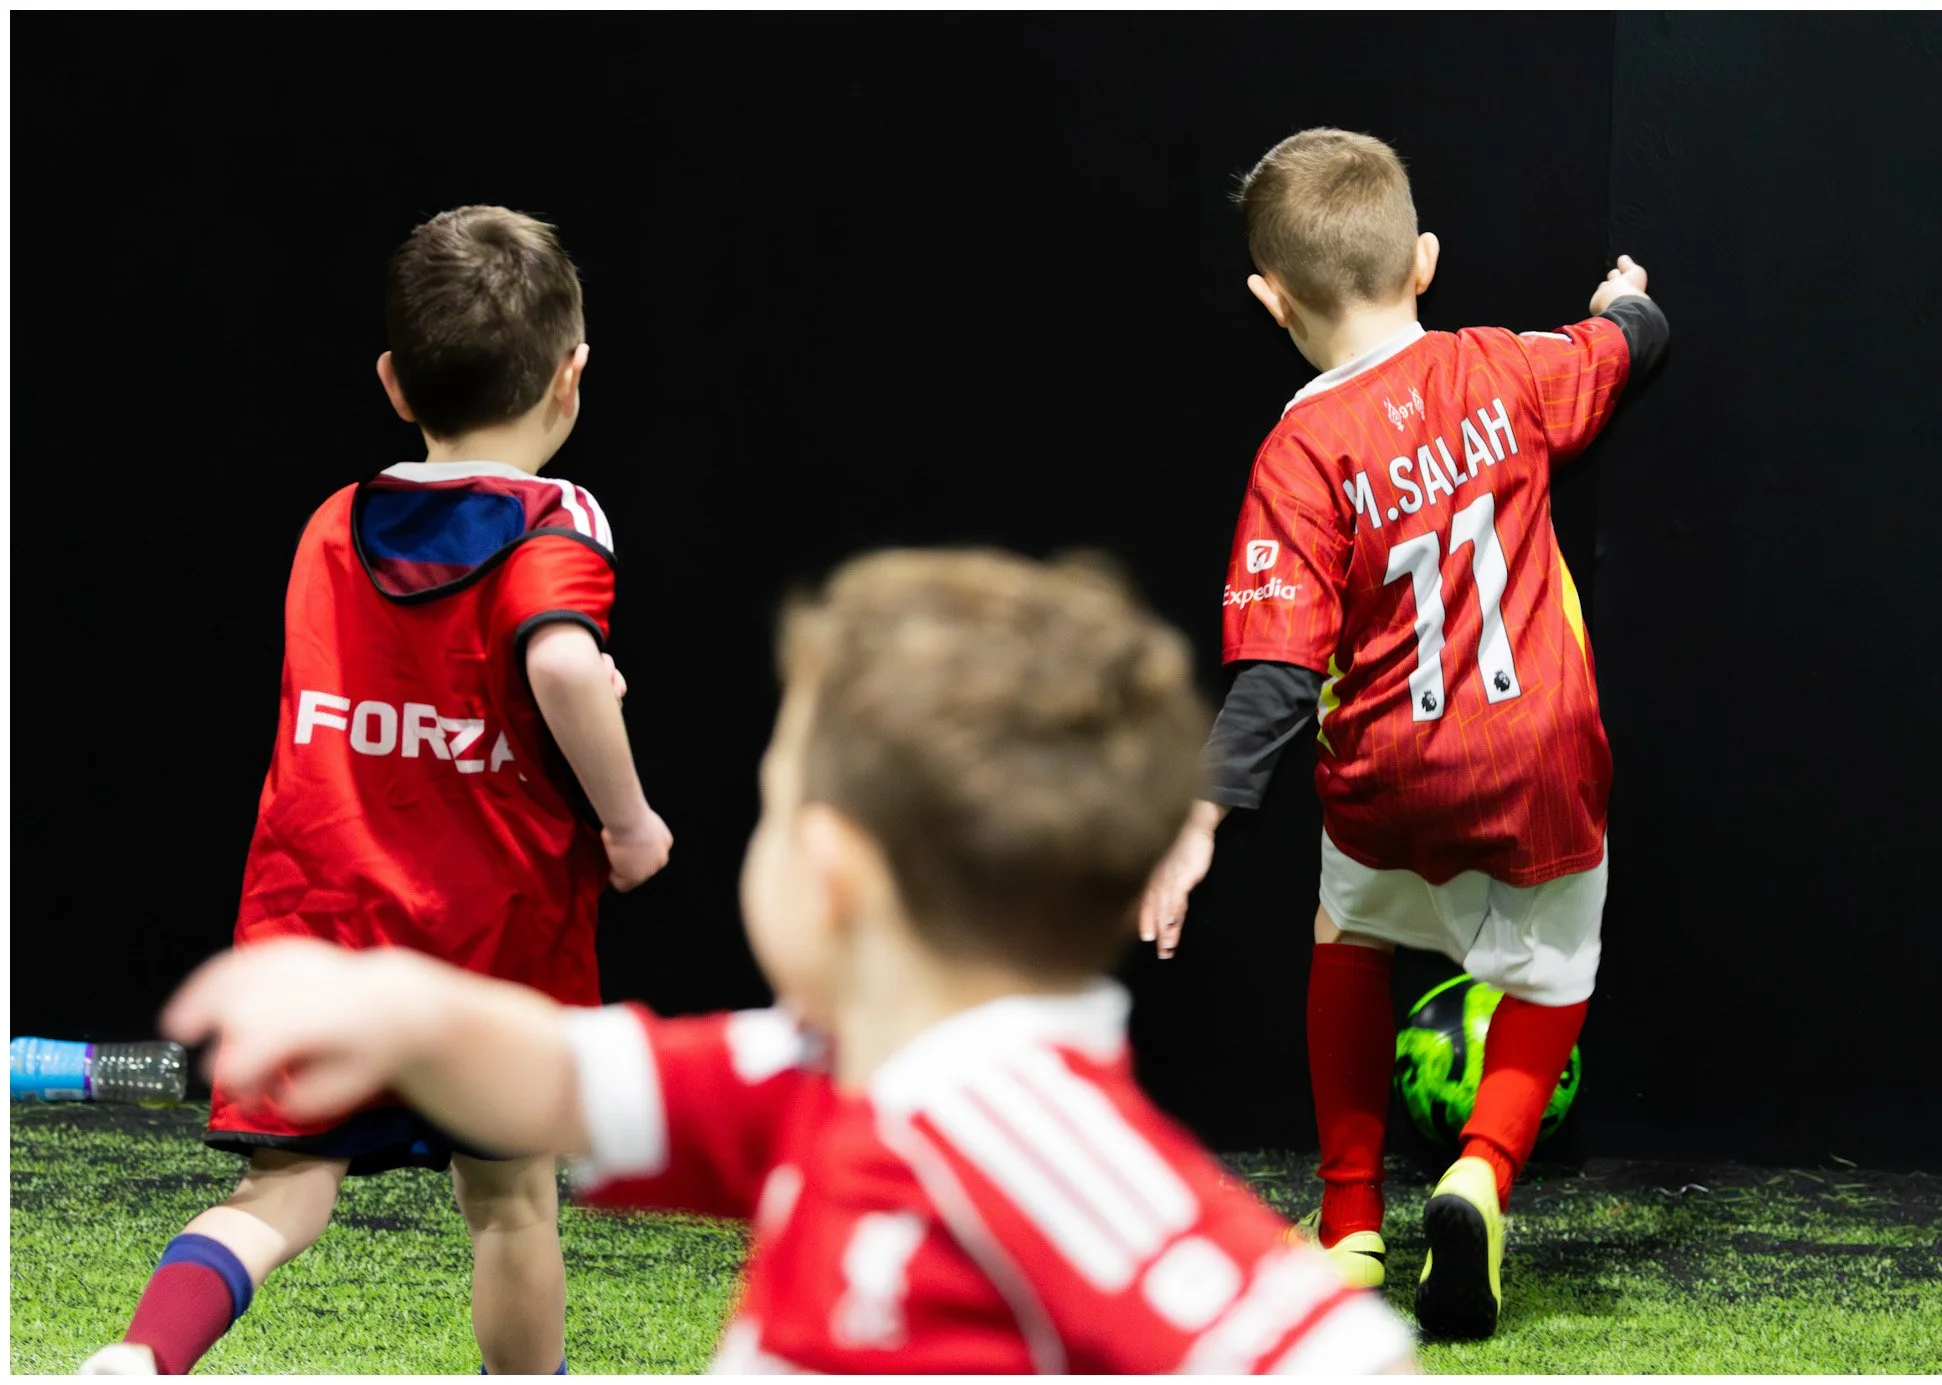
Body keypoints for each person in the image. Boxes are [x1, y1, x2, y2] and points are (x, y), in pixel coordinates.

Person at [154, 549, 1416, 1375]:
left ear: (831, 874)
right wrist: (382, 1003)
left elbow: (1323, 1350)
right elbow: (560, 1074)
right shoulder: (820, 1072)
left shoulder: (1038, 1145)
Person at [81, 207, 672, 1376]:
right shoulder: (558, 523)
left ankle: (141, 1358)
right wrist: (630, 819)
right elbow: (555, 660)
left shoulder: (329, 527)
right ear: (573, 374)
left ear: (395, 382)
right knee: (510, 1208)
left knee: (281, 1194)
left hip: (322, 924)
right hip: (492, 939)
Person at [1139, 128, 1668, 1341]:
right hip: (1541, 757)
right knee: (1556, 975)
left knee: (1349, 925)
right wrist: (1625, 305)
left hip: (1389, 773)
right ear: (1422, 259)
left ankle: (1347, 1228)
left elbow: (1275, 677)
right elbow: (1632, 347)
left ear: (1270, 299)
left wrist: (1197, 819)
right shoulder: (1508, 367)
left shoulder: (1297, 454)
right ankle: (1481, 1169)